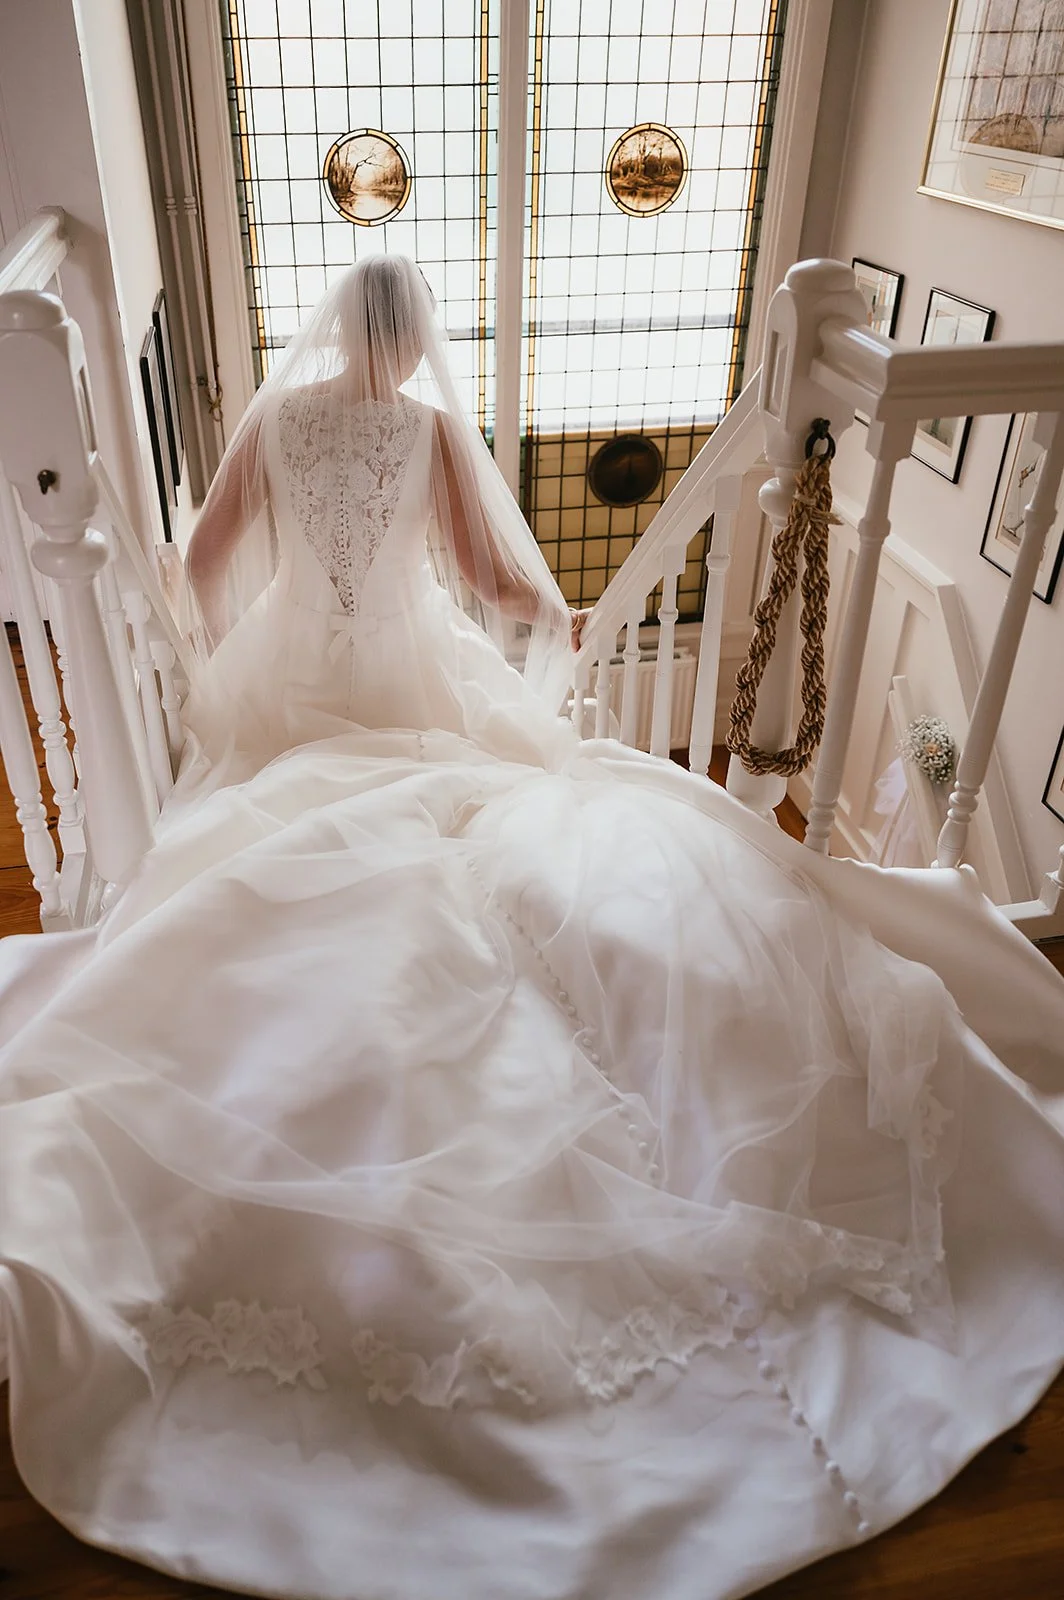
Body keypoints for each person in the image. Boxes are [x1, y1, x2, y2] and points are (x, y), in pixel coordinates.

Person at [1, 255, 1064, 1600]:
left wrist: (223, 657)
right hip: (408, 677)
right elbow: (485, 574)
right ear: (415, 340)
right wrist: (554, 613)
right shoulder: (430, 429)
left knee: (271, 850)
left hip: (289, 686)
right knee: (491, 824)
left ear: (335, 331)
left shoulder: (274, 423)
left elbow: (207, 562)